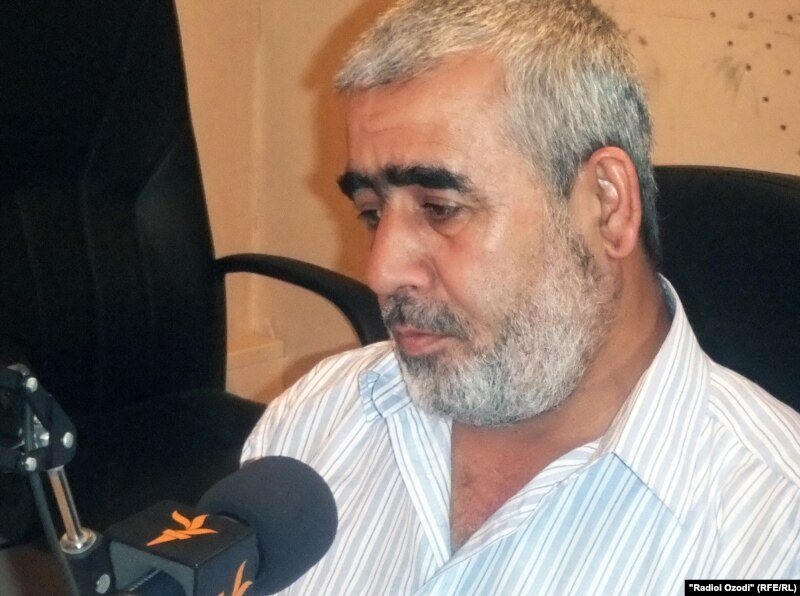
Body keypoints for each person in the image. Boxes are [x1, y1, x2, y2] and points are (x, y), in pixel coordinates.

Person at [242, 0, 800, 593]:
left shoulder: (773, 533)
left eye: (441, 208)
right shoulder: (320, 417)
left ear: (607, 206)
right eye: (371, 212)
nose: (381, 272)